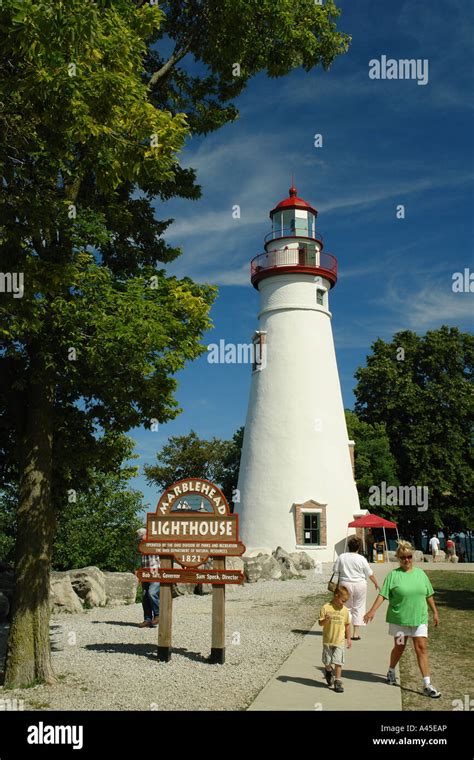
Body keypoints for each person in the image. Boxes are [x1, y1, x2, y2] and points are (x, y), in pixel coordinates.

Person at [364, 539, 441, 698]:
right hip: (399, 620)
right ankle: (391, 670)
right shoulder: (393, 575)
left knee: (421, 648)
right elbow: (383, 595)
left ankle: (427, 684)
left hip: (419, 618)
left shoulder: (421, 574)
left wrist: (435, 612)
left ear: (412, 557)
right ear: (398, 558)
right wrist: (372, 611)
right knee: (400, 647)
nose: (407, 560)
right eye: (403, 557)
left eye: (409, 557)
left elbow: (429, 594)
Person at [333, 535, 380, 640]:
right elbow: (369, 573)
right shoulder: (361, 558)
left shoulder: (342, 557)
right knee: (359, 607)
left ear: (348, 546)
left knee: (346, 607)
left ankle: (346, 632)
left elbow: (335, 570)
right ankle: (355, 633)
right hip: (360, 584)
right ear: (358, 548)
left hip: (345, 584)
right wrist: (376, 583)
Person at [318, 585, 352, 693]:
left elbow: (347, 625)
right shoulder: (326, 607)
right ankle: (328, 670)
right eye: (342, 600)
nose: (344, 603)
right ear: (336, 596)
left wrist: (349, 638)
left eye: (345, 601)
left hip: (339, 641)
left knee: (338, 662)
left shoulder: (345, 610)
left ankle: (338, 681)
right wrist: (326, 620)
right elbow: (320, 623)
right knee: (327, 661)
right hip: (328, 640)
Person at [136, 528, 160, 628]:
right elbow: (138, 558)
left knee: (152, 593)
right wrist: (138, 570)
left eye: (141, 538)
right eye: (139, 539)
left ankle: (158, 615)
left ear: (147, 535)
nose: (140, 540)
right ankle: (147, 619)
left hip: (156, 572)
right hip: (145, 572)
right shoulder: (141, 547)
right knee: (145, 597)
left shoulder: (155, 543)